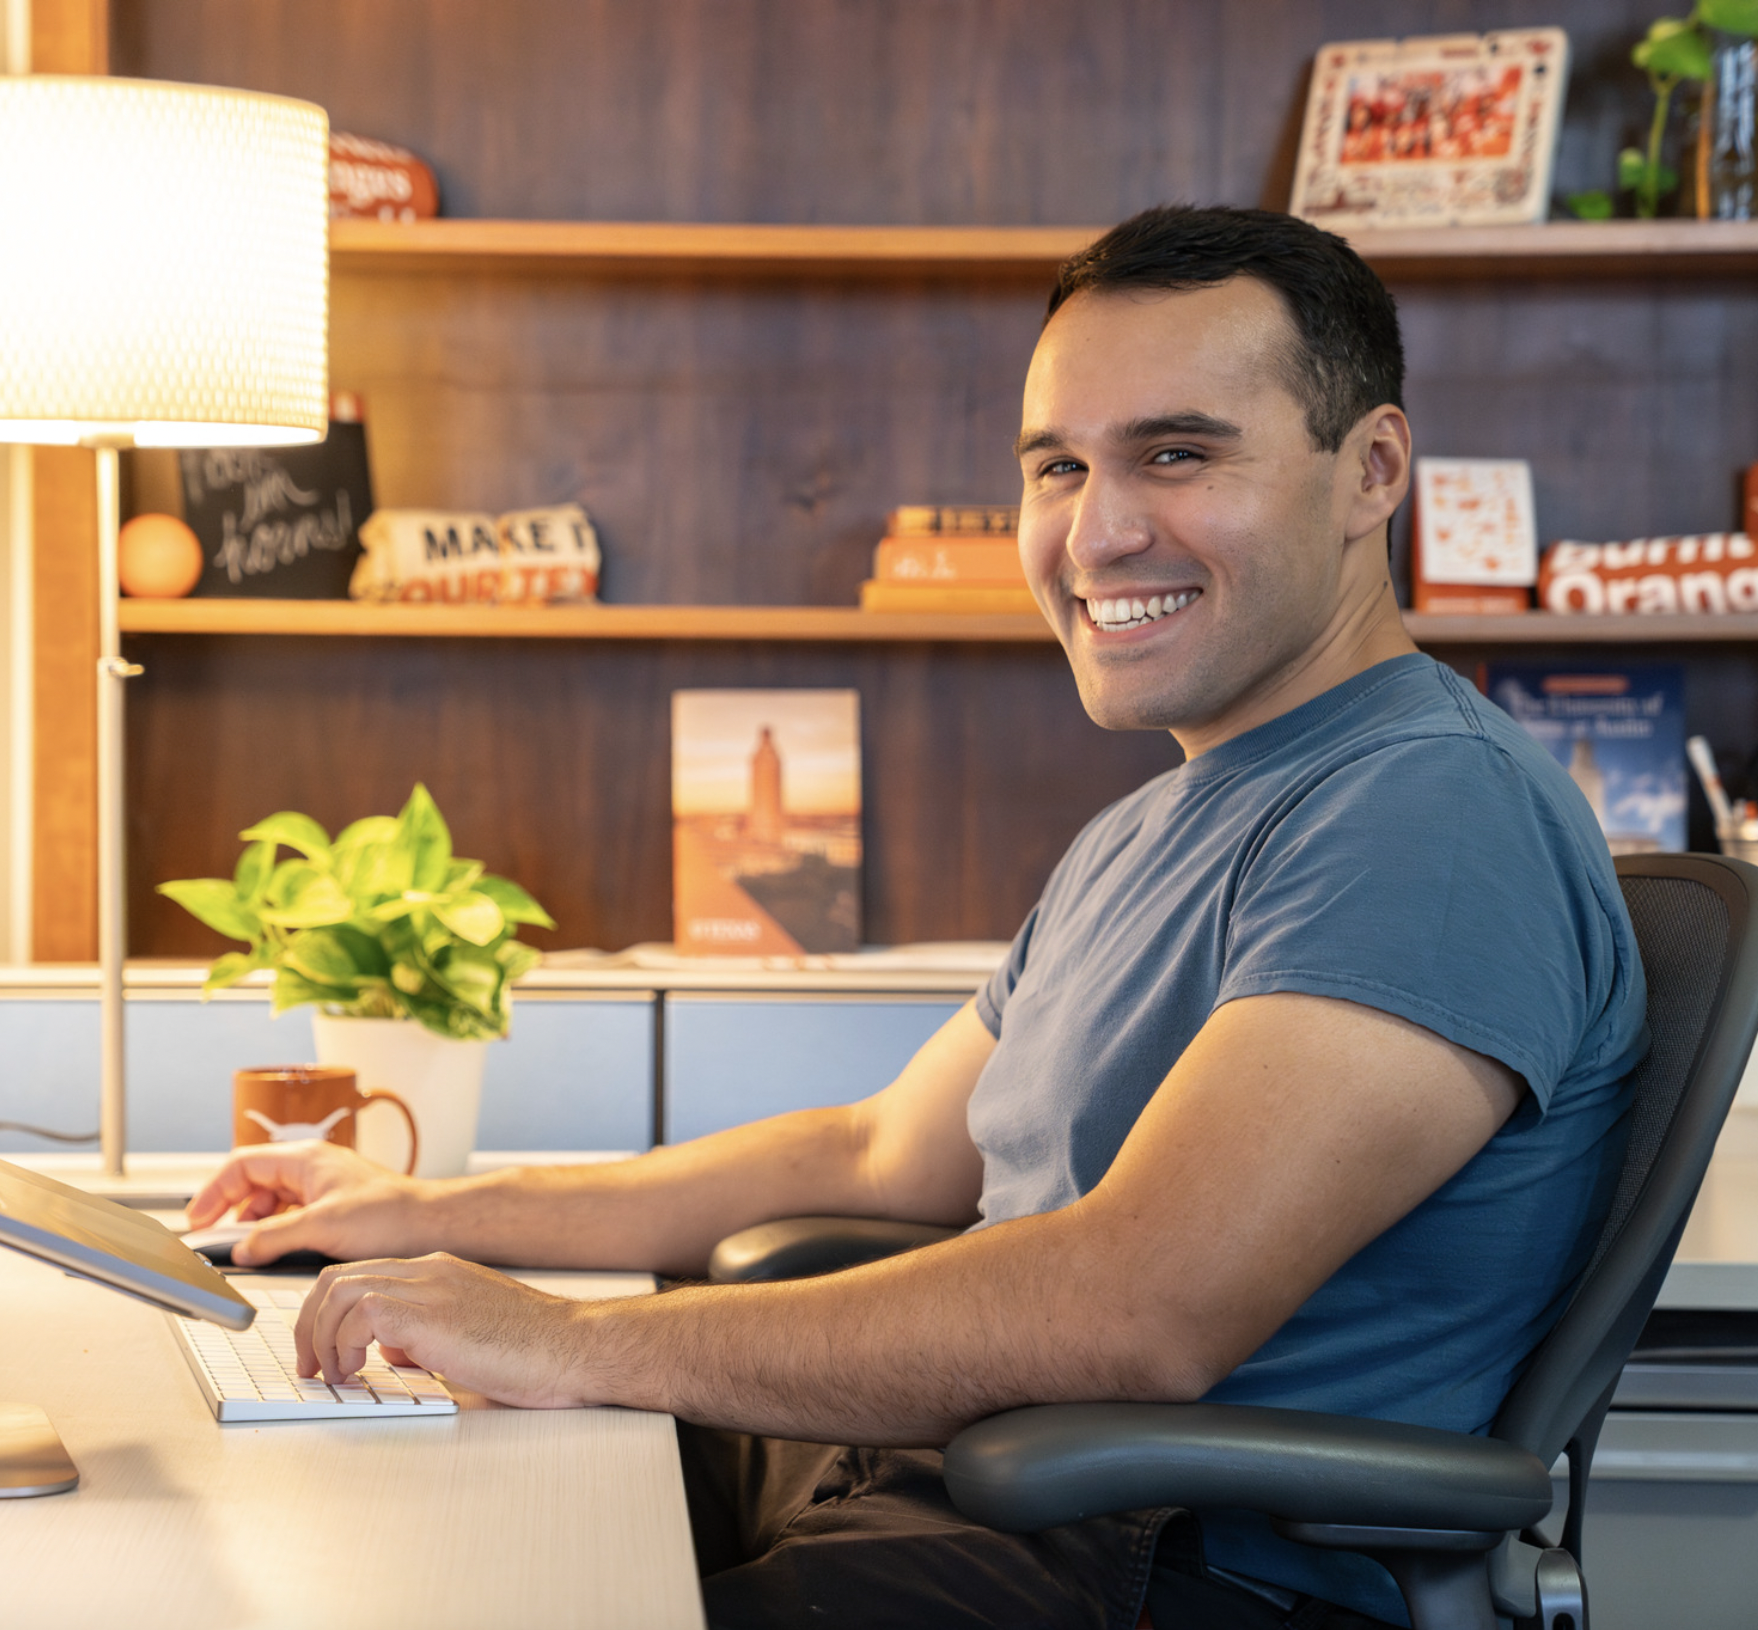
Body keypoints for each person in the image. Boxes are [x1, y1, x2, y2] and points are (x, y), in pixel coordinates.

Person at [183, 205, 1646, 1630]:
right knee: (388, 1535)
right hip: (973, 1498)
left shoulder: (1424, 817)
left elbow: (1136, 1309)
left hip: (1153, 1570)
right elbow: (876, 1149)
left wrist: (567, 1339)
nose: (1099, 529)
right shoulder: (1158, 822)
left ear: (1369, 469)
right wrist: (427, 1216)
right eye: (1057, 465)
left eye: (1177, 454)